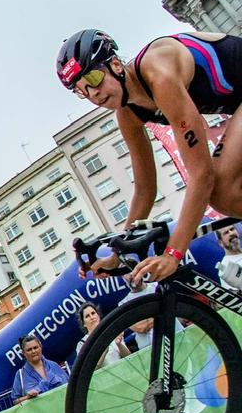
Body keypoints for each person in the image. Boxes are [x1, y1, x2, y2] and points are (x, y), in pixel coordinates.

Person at [58, 27, 242, 287]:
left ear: (115, 65)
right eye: (81, 90)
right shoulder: (128, 114)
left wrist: (173, 254)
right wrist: (117, 255)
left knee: (220, 189)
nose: (93, 94)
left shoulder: (159, 75)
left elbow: (202, 176)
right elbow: (145, 190)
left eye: (95, 78)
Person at [11, 334, 69, 403]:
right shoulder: (20, 375)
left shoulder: (53, 365)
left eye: (35, 347)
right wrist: (28, 397)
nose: (33, 351)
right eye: (29, 350)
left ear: (40, 347)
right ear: (24, 353)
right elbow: (15, 401)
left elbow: (69, 385)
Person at [75, 303, 131, 367]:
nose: (92, 317)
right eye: (87, 316)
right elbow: (88, 370)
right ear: (84, 324)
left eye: (93, 313)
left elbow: (129, 356)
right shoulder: (82, 344)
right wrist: (104, 349)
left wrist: (119, 344)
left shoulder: (112, 332)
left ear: (98, 316)